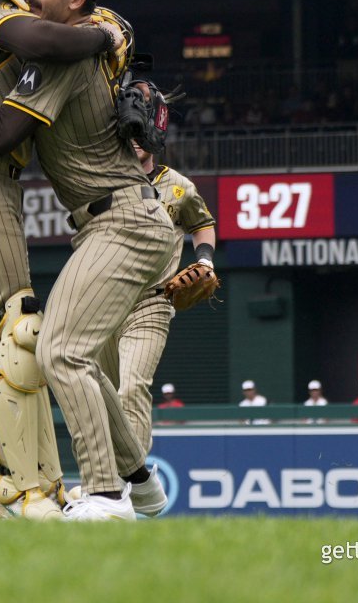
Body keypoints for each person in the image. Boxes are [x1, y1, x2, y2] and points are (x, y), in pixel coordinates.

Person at [0, 0, 176, 521]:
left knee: (59, 351)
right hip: (115, 219)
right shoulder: (72, 37)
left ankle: (106, 498)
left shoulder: (66, 54)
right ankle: (140, 479)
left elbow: (0, 131)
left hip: (123, 220)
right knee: (68, 350)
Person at [96, 139, 217, 515]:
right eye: (128, 131)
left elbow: (203, 225)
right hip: (103, 300)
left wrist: (205, 261)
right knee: (99, 395)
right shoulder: (104, 179)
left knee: (132, 387)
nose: (134, 140)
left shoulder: (178, 185)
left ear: (154, 136)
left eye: (141, 131)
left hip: (152, 301)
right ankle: (99, 482)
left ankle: (127, 485)